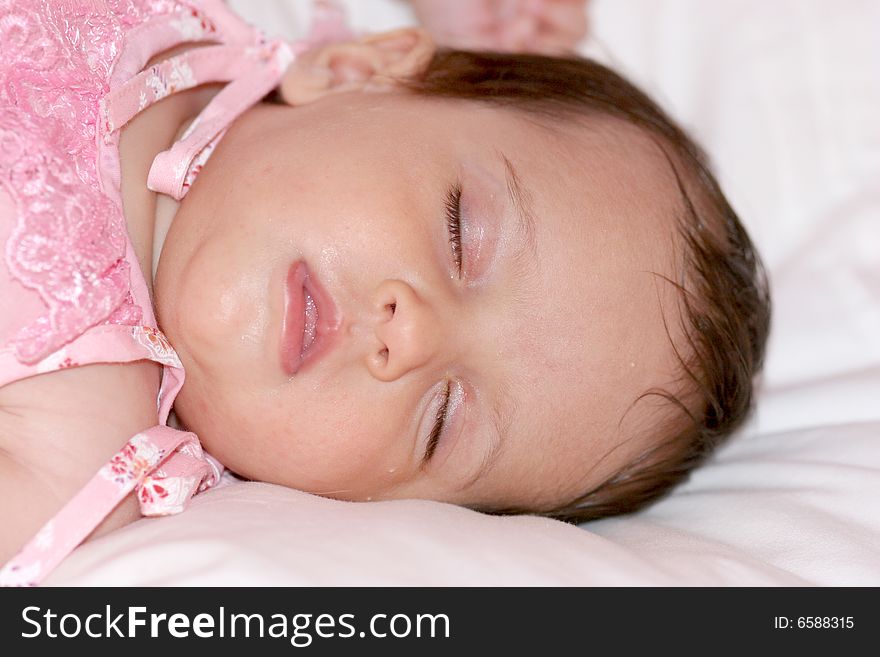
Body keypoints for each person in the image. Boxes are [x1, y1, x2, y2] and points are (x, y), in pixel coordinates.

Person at [0, 0, 769, 585]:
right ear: (356, 72)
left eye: (441, 419)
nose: (414, 333)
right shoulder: (224, 28)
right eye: (460, 233)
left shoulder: (71, 453)